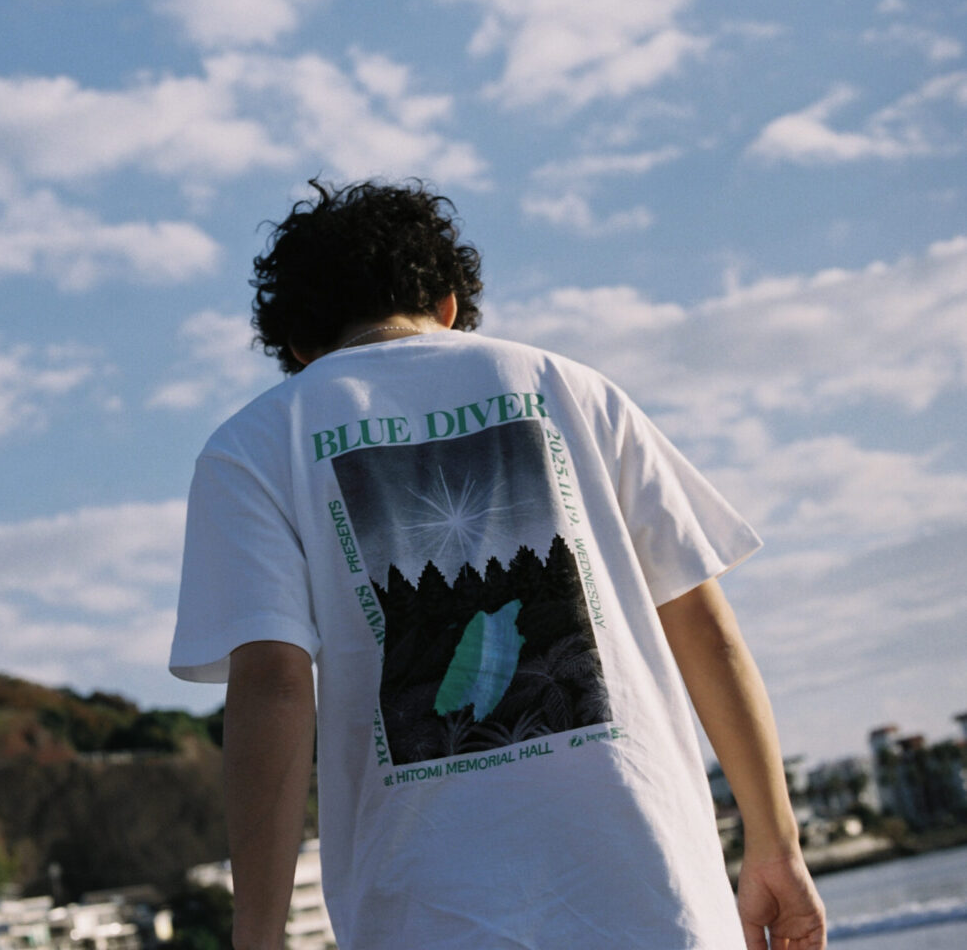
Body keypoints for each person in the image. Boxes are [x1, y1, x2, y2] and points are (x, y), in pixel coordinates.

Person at [169, 180, 826, 950]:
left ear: (300, 345)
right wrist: (776, 844)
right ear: (448, 304)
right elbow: (704, 628)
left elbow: (274, 684)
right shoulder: (575, 389)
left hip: (429, 919)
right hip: (660, 898)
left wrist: (257, 932)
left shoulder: (252, 448)